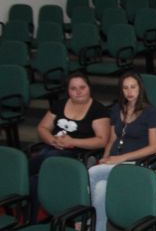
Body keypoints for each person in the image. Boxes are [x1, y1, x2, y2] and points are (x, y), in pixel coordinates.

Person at [30, 73, 110, 219]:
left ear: (89, 88)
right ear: (68, 90)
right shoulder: (59, 105)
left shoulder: (98, 110)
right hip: (54, 147)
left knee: (48, 159)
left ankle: (26, 176)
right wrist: (52, 140)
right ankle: (33, 218)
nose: (78, 92)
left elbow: (102, 140)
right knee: (36, 178)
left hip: (78, 153)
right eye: (73, 88)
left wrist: (72, 142)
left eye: (82, 87)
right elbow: (42, 127)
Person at [89, 73, 156, 231]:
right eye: (125, 88)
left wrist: (122, 158)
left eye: (133, 87)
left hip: (136, 164)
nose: (129, 91)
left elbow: (154, 147)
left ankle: (85, 219)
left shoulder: (150, 111)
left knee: (92, 172)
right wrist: (105, 157)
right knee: (100, 189)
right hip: (113, 162)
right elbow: (112, 139)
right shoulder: (117, 109)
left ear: (140, 88)